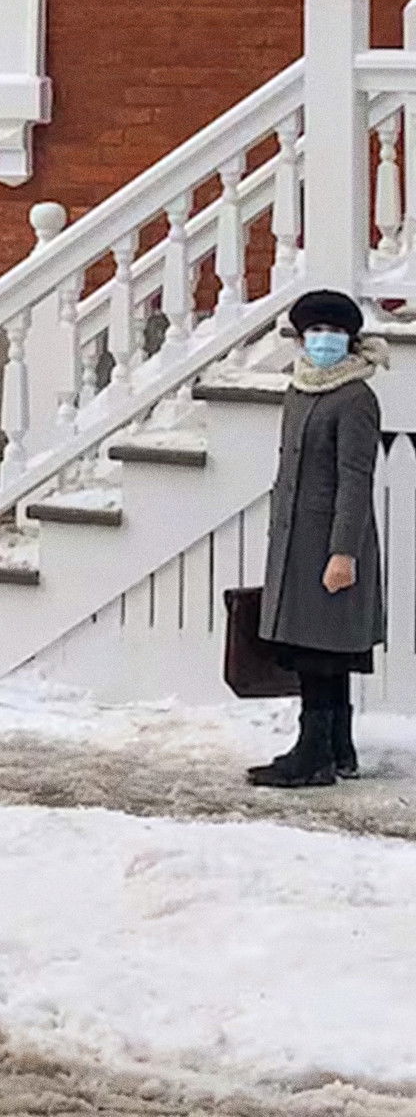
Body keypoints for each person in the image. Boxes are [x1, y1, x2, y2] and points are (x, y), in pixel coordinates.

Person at [247, 289, 387, 789]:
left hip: (330, 543)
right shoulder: (299, 390)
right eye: (316, 331)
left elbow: (355, 480)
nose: (324, 340)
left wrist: (343, 552)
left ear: (350, 339)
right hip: (295, 541)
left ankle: (313, 755)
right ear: (302, 338)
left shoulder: (355, 398)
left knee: (322, 652)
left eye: (334, 332)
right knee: (318, 648)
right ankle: (337, 747)